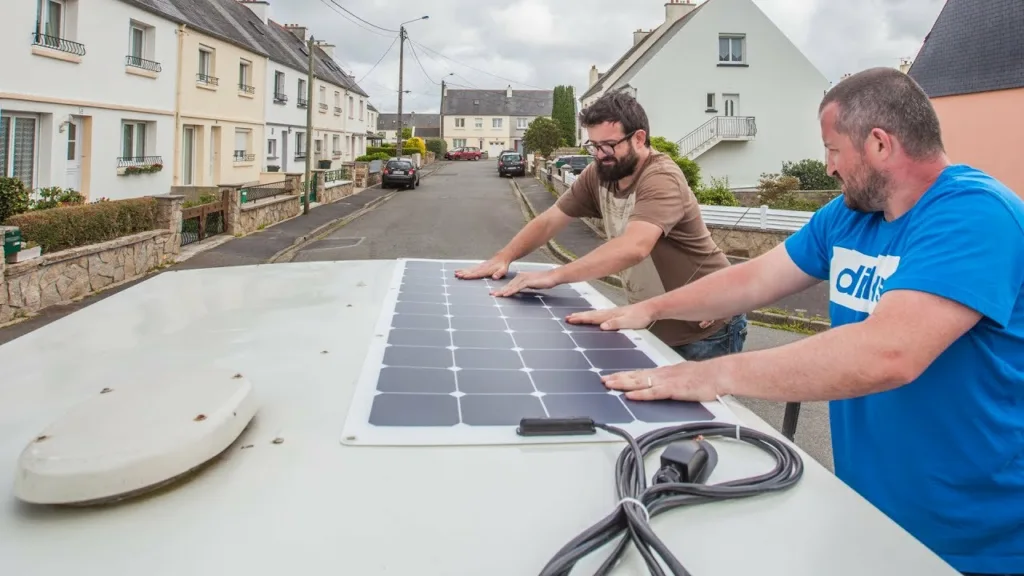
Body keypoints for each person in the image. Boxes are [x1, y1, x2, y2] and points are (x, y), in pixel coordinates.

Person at [566, 67, 1024, 576]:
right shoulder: (848, 216)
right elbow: (753, 279)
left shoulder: (975, 215)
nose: (827, 167)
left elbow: (889, 353)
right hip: (869, 512)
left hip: (974, 539)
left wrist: (708, 375)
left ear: (878, 145)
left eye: (832, 149)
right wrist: (650, 309)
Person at [454, 90, 747, 361]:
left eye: (609, 145)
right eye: (594, 145)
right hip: (654, 323)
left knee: (700, 416)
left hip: (707, 328)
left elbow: (635, 246)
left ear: (639, 138)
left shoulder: (661, 178)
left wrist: (555, 275)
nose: (600, 154)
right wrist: (503, 257)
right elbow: (549, 220)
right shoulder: (600, 172)